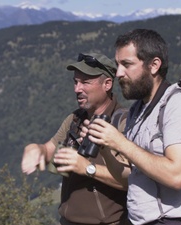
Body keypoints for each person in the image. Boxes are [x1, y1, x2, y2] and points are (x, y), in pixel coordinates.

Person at [83, 29, 181, 224]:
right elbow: (129, 178)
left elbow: (176, 176)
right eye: (117, 65)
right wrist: (105, 147)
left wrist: (121, 143)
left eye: (127, 64)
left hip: (175, 220)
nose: (118, 73)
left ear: (154, 65)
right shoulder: (136, 111)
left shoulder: (179, 105)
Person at [21, 52, 131, 225]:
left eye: (85, 83)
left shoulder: (123, 122)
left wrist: (87, 168)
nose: (77, 89)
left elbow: (130, 181)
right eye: (75, 82)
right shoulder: (75, 119)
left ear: (107, 84)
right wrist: (36, 149)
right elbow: (50, 149)